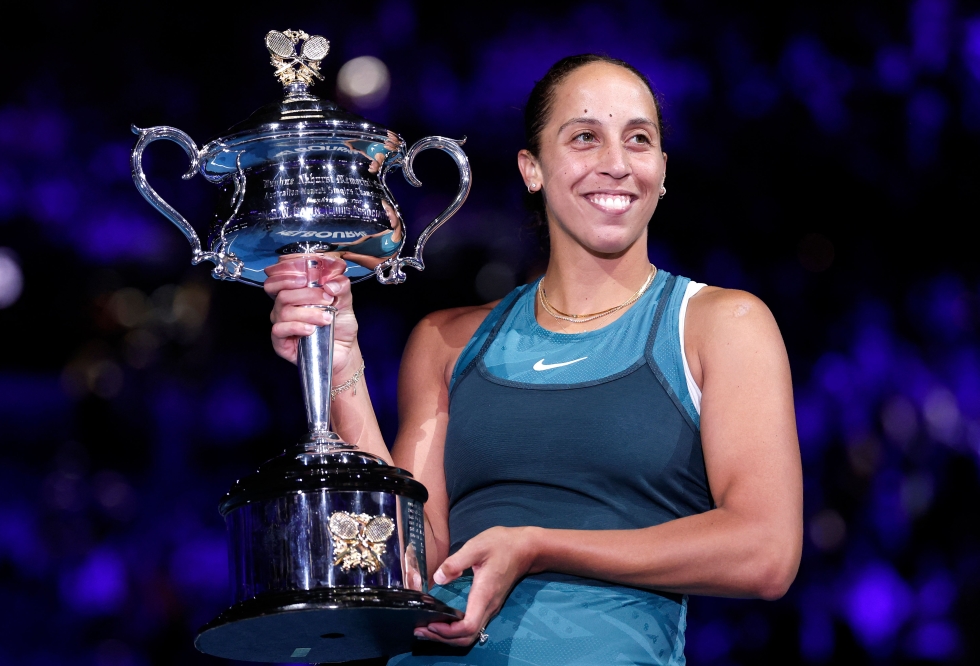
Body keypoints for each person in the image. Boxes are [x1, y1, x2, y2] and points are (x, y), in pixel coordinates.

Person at [263, 54, 803, 666]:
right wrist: (341, 371)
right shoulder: (448, 341)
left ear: (661, 169)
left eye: (639, 139)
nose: (617, 163)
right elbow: (410, 563)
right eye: (584, 138)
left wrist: (539, 545)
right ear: (532, 169)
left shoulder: (720, 324)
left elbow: (765, 553)